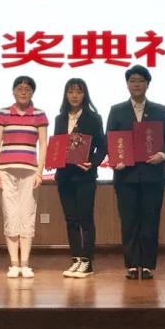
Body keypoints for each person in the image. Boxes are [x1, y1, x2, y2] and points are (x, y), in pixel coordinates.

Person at [106, 65, 165, 280]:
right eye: (132, 81)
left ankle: (147, 265)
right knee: (129, 221)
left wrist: (163, 154)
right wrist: (116, 160)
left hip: (152, 175)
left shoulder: (159, 110)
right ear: (127, 84)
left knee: (150, 220)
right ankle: (131, 264)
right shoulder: (117, 110)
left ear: (147, 84)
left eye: (140, 81)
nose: (136, 84)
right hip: (125, 176)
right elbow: (110, 139)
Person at [0, 75, 48, 279]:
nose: (23, 91)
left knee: (27, 215)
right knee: (10, 215)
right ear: (13, 91)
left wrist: (40, 172)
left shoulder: (39, 114)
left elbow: (44, 145)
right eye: (20, 88)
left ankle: (25, 263)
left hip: (30, 172)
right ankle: (14, 264)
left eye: (28, 89)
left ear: (33, 92)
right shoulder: (2, 113)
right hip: (6, 171)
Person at [53, 78, 107, 278]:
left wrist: (92, 162)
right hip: (64, 176)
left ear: (85, 94)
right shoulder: (60, 118)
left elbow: (102, 147)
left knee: (85, 218)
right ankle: (76, 259)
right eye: (71, 91)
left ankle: (87, 261)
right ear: (65, 94)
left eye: (79, 91)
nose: (74, 95)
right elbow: (57, 145)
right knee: (71, 219)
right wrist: (53, 158)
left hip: (85, 176)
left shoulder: (93, 118)